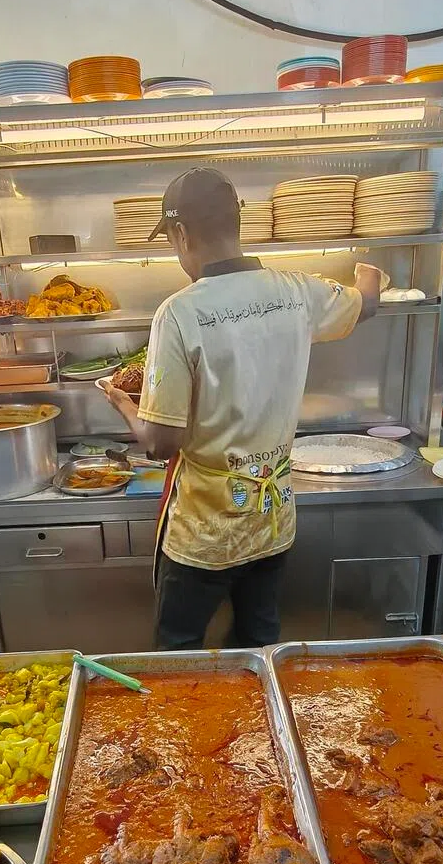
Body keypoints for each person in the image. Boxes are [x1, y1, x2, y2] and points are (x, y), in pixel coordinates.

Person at [102, 167, 382, 650]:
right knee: (260, 645)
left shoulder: (180, 312)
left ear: (181, 233)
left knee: (179, 650)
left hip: (205, 532)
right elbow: (367, 304)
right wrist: (368, 273)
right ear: (237, 223)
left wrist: (124, 404)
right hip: (271, 520)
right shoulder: (297, 292)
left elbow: (160, 443)